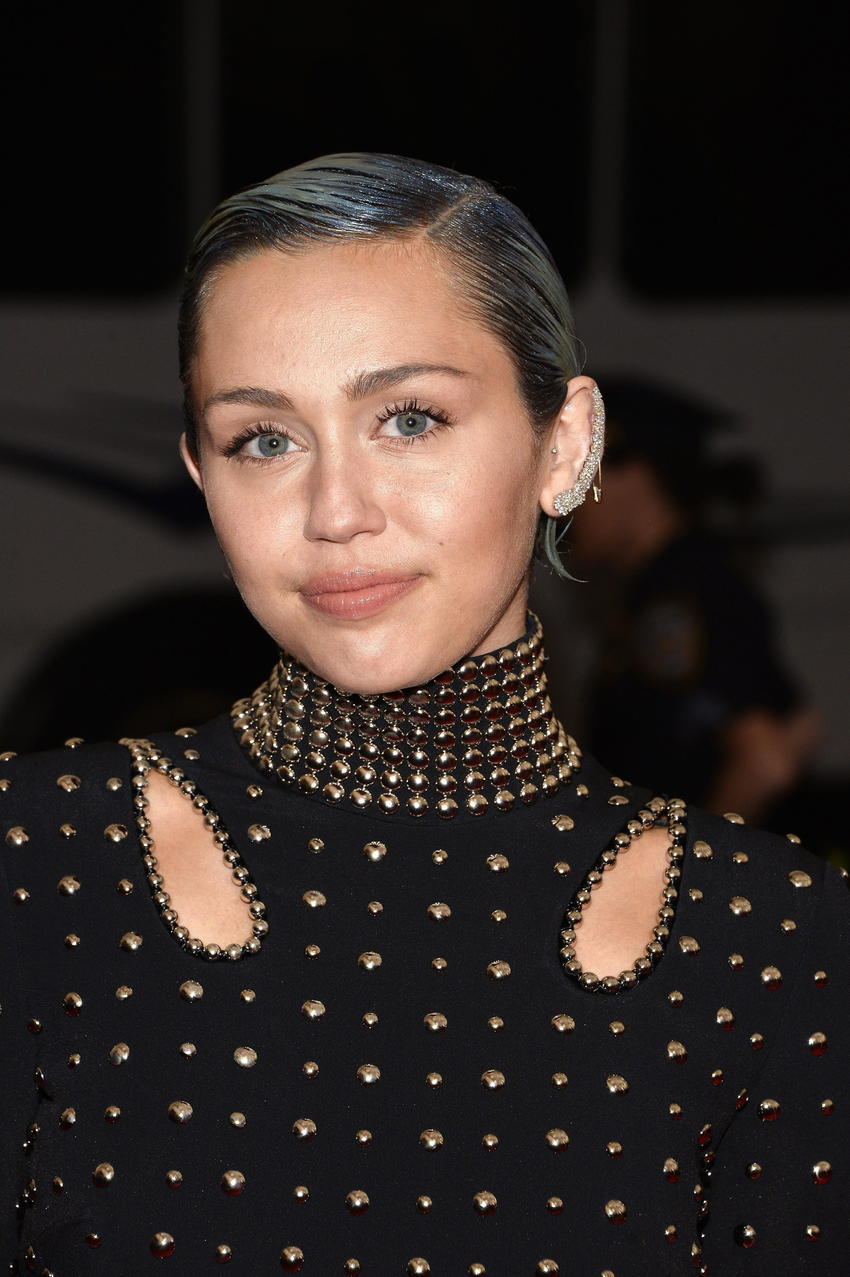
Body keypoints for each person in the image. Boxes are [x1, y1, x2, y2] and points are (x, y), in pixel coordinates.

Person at [1, 154, 846, 1276]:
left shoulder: (773, 937)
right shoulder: (39, 857)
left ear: (564, 446)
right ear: (203, 474)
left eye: (408, 418)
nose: (335, 510)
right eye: (264, 439)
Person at [566, 375, 821, 823]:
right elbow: (802, 723)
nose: (562, 499)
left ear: (636, 476)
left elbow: (766, 763)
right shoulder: (667, 585)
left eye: (578, 474)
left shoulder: (686, 590)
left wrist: (683, 858)